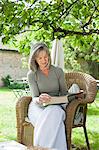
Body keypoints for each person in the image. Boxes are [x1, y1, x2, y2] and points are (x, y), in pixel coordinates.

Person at [27, 42, 82, 150]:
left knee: (54, 113)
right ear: (35, 59)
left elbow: (64, 92)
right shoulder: (32, 74)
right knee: (54, 121)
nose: (44, 60)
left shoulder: (58, 71)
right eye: (40, 58)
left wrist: (73, 95)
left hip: (55, 104)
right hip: (37, 107)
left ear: (49, 56)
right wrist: (39, 99)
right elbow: (34, 97)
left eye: (46, 56)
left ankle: (40, 148)